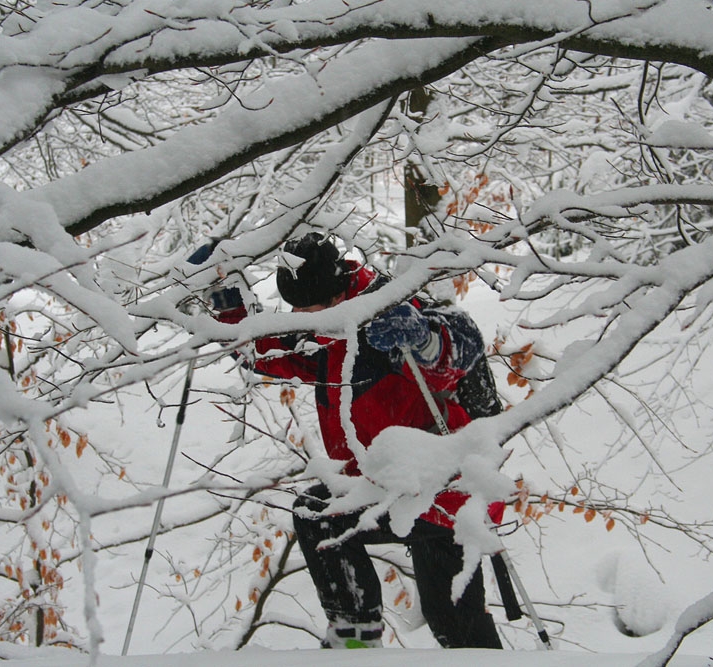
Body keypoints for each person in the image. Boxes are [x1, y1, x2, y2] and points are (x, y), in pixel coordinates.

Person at [191, 232, 503, 649]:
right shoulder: (326, 334)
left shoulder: (387, 311)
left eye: (307, 307)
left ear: (335, 295)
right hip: (384, 488)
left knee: (452, 619)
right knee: (319, 513)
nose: (301, 315)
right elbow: (266, 352)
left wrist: (423, 339)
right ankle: (354, 638)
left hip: (442, 490)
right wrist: (228, 303)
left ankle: (356, 639)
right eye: (294, 308)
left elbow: (459, 346)